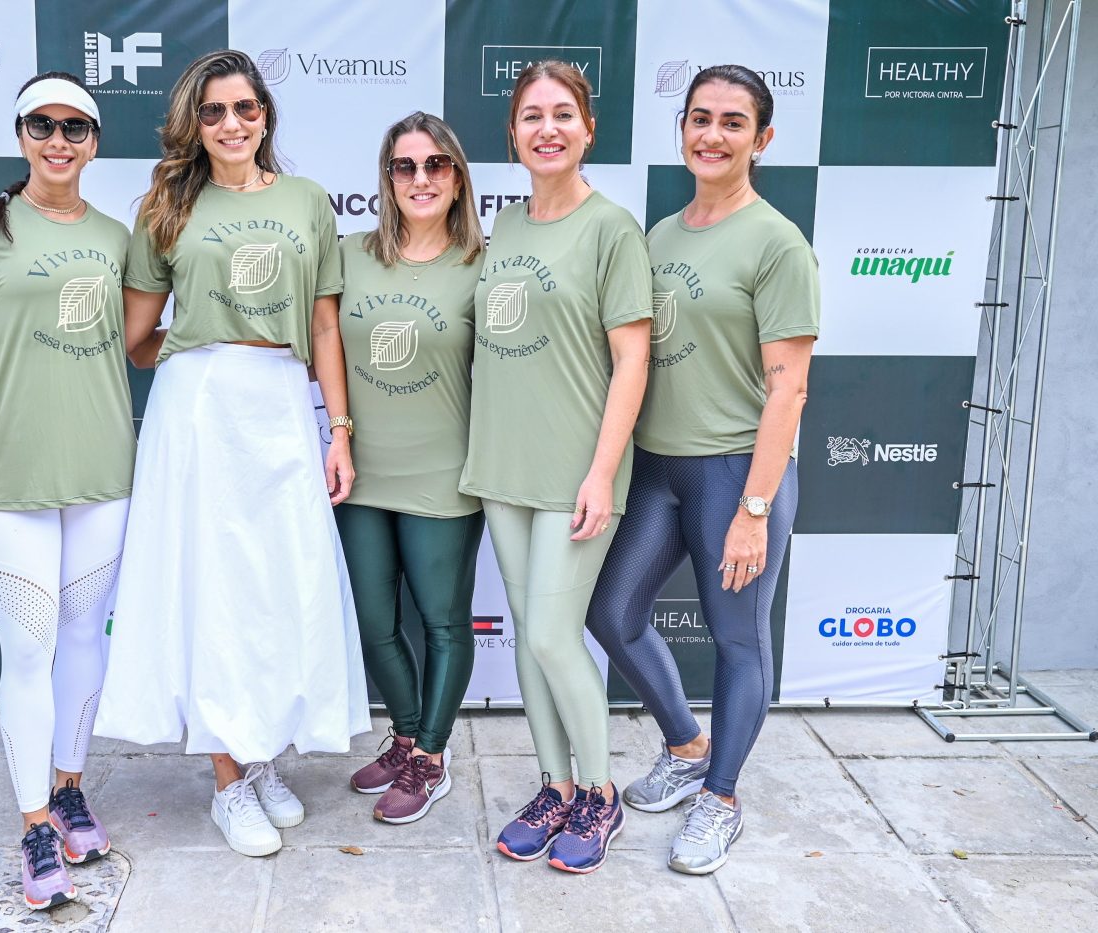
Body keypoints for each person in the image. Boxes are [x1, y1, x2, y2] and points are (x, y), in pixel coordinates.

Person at [92, 49, 369, 858]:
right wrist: (200, 354)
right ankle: (227, 780)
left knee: (276, 586)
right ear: (194, 124)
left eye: (245, 108)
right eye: (213, 112)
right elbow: (137, 336)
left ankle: (260, 757)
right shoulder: (168, 205)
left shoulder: (308, 202)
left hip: (283, 403)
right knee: (213, 590)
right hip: (203, 409)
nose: (231, 124)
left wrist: (339, 428)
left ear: (265, 117)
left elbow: (323, 328)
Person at [585, 64, 819, 876]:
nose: (710, 135)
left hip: (734, 474)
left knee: (736, 639)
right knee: (612, 613)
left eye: (730, 122)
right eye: (698, 118)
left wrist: (755, 506)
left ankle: (720, 799)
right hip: (659, 466)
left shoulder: (778, 243)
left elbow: (789, 386)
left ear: (762, 138)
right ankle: (688, 744)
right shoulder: (660, 234)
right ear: (680, 128)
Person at [0, 71, 133, 910]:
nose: (58, 140)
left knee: (84, 638)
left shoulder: (119, 237)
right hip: (12, 478)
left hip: (103, 474)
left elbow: (147, 336)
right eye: (42, 124)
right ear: (20, 135)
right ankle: (36, 821)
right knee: (28, 648)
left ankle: (73, 785)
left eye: (75, 127)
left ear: (94, 141)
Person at [461, 61, 653, 874]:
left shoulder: (612, 227)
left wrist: (602, 472)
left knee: (550, 631)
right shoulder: (504, 226)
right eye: (532, 115)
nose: (547, 128)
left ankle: (599, 796)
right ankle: (553, 784)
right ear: (513, 133)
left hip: (579, 467)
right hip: (503, 463)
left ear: (588, 130)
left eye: (563, 114)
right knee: (529, 640)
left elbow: (633, 358)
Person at [336, 112, 486, 824]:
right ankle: (402, 735)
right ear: (386, 178)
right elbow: (317, 343)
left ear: (457, 177)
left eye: (436, 165)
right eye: (405, 166)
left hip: (445, 473)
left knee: (443, 622)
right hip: (362, 471)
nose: (420, 179)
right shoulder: (350, 254)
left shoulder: (485, 266)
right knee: (373, 619)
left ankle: (432, 754)